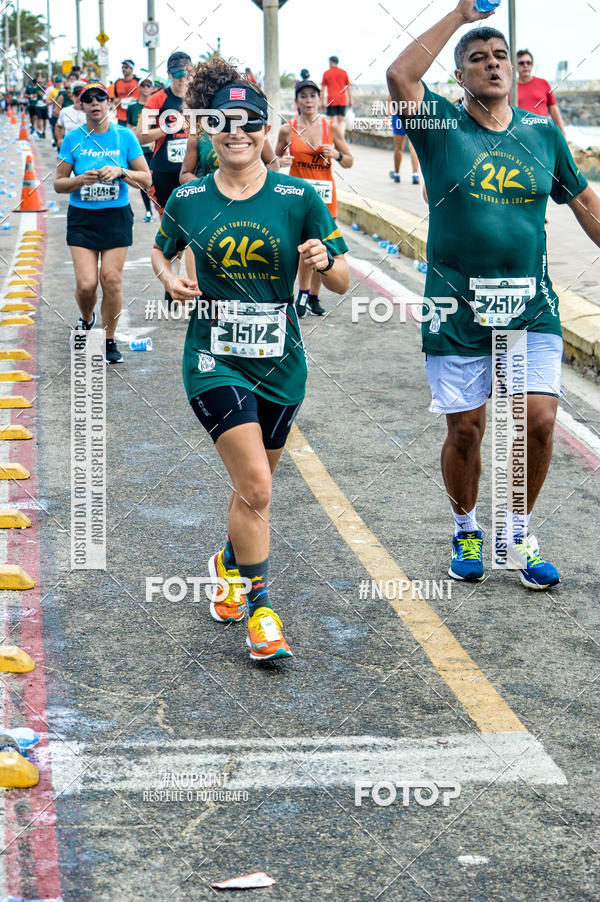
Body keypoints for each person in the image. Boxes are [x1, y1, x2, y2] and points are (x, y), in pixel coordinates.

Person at [386, 0, 600, 589]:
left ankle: (516, 530)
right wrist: (458, 15)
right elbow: (401, 77)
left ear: (514, 69)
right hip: (456, 310)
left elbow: (582, 202)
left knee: (538, 417)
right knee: (467, 429)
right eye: (477, 59)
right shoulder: (438, 127)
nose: (492, 65)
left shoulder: (541, 133)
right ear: (460, 76)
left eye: (500, 55)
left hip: (531, 304)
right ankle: (467, 527)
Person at [151, 58, 349, 661]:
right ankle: (262, 613)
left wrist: (322, 260)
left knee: (251, 492)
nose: (236, 131)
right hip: (213, 359)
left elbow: (342, 281)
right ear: (209, 129)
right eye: (223, 121)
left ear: (267, 130)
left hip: (280, 364)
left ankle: (228, 564)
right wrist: (171, 280)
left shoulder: (298, 198)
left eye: (249, 122)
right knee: (258, 487)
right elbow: (162, 253)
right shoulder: (188, 198)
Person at [53, 81, 152, 364]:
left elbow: (146, 178)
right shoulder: (73, 138)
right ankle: (86, 319)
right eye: (89, 99)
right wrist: (79, 180)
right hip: (83, 218)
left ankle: (108, 340)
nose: (95, 103)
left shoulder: (124, 137)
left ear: (109, 103)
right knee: (86, 285)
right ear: (81, 105)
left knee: (111, 279)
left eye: (100, 98)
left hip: (115, 216)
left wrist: (121, 171)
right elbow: (59, 184)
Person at [276, 78, 353, 317]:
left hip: (325, 198)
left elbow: (350, 161)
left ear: (319, 99)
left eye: (312, 96)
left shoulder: (331, 127)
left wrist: (338, 155)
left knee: (324, 249)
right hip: (297, 197)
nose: (308, 101)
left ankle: (314, 297)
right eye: (303, 96)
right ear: (297, 100)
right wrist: (281, 161)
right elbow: (272, 158)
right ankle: (302, 293)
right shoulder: (287, 128)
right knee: (303, 250)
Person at [135, 50, 192, 215]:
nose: (182, 78)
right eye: (177, 74)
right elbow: (139, 136)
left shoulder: (199, 98)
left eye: (186, 73)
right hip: (164, 172)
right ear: (169, 74)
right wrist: (168, 128)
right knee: (168, 227)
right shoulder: (157, 99)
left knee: (193, 225)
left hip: (192, 172)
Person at [516, 49, 567, 135]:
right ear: (515, 65)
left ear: (532, 65)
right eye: (521, 63)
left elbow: (554, 110)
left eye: (528, 63)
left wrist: (562, 133)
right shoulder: (509, 87)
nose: (525, 65)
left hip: (543, 134)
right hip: (520, 136)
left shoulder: (543, 83)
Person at [126, 77, 156, 221]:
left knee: (156, 181)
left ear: (152, 88)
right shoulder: (133, 107)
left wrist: (155, 139)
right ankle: (148, 210)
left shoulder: (158, 105)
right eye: (142, 85)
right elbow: (128, 126)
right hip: (139, 150)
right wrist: (132, 130)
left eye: (148, 85)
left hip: (154, 149)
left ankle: (161, 208)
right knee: (144, 181)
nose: (145, 88)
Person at [386, 94, 420, 184]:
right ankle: (415, 175)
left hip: (399, 116)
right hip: (413, 115)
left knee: (398, 148)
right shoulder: (414, 81)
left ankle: (396, 175)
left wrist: (385, 117)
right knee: (413, 148)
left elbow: (390, 99)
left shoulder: (396, 80)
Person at [321, 56, 352, 135]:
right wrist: (351, 100)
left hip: (331, 99)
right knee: (341, 121)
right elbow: (348, 88)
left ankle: (333, 139)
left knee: (332, 121)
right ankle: (341, 137)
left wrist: (322, 102)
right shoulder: (344, 72)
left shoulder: (326, 73)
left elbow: (323, 89)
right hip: (342, 99)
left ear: (331, 62)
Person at [54, 81, 86, 150]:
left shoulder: (90, 112)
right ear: (72, 96)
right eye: (76, 94)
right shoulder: (65, 111)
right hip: (69, 150)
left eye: (81, 95)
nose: (78, 97)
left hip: (85, 151)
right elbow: (58, 126)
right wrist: (59, 139)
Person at [109, 59, 139, 126]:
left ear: (131, 69)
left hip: (135, 115)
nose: (123, 69)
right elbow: (115, 98)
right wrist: (117, 101)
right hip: (121, 116)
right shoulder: (117, 82)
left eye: (126, 67)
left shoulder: (138, 82)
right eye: (122, 67)